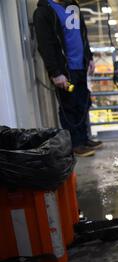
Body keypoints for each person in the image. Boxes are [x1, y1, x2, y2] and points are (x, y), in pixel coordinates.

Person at [34, 0, 102, 157]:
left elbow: (82, 35)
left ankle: (84, 139)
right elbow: (45, 45)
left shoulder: (73, 7)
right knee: (69, 106)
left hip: (80, 66)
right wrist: (55, 72)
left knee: (82, 104)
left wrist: (89, 57)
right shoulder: (44, 11)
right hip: (65, 69)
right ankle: (75, 143)